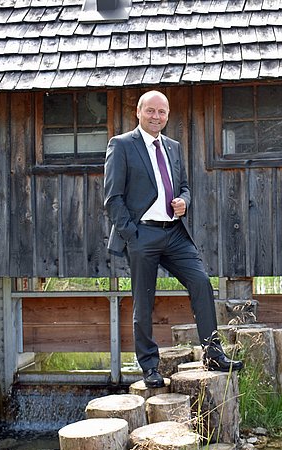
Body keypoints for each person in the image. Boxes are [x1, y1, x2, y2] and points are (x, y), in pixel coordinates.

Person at [104, 90, 243, 387]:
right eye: (151, 111)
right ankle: (150, 367)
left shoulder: (173, 146)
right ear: (139, 113)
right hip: (142, 234)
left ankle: (213, 353)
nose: (156, 117)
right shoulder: (122, 145)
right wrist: (132, 235)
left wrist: (184, 201)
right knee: (144, 301)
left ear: (168, 115)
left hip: (174, 233)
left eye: (162, 112)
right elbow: (113, 198)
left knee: (201, 283)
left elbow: (184, 186)